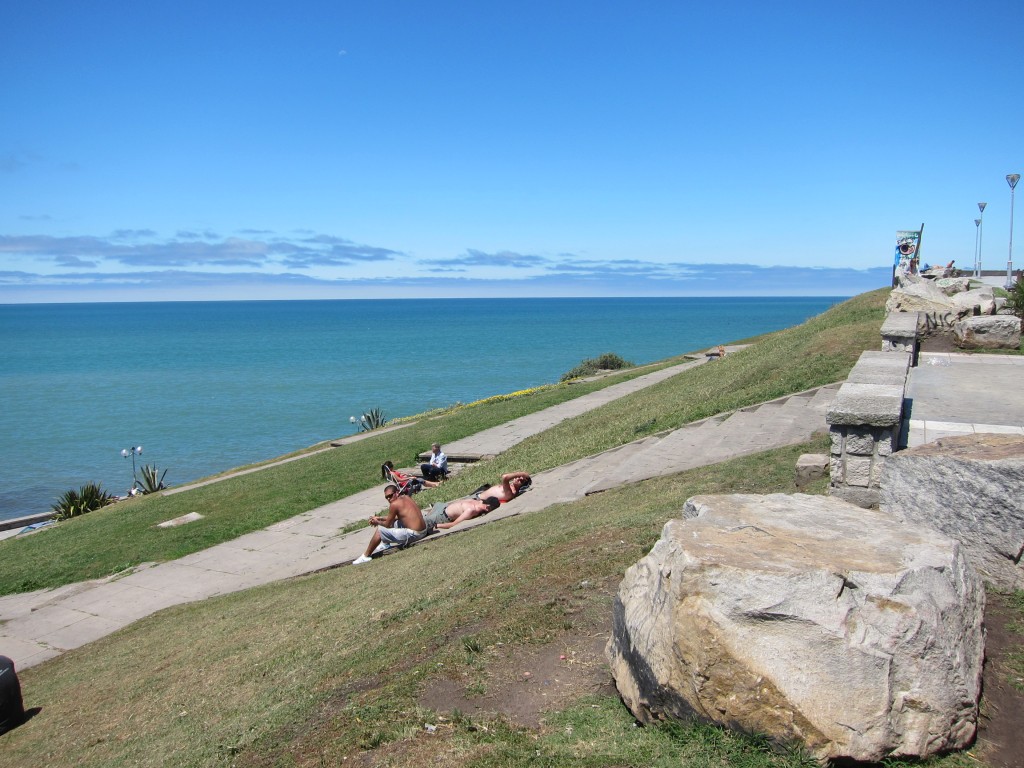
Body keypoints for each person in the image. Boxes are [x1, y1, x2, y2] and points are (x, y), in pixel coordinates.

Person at [352, 484, 429, 565]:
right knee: (394, 523)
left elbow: (387, 524)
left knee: (380, 530)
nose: (389, 499)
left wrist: (377, 522)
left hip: (416, 534)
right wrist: (380, 518)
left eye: (390, 495)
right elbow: (396, 517)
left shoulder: (394, 505)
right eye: (386, 497)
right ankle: (386, 544)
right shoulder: (406, 497)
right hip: (424, 530)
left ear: (397, 492)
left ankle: (366, 556)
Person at [423, 495, 500, 531]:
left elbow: (454, 524)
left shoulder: (471, 510)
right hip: (443, 506)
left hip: (442, 516)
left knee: (422, 521)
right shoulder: (476, 500)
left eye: (488, 509)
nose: (487, 509)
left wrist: (437, 525)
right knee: (436, 505)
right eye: (488, 506)